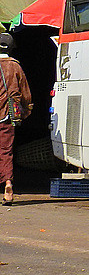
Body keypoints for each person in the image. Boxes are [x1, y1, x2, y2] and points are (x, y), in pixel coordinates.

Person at [0, 30, 34, 205]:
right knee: (5, 151)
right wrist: (26, 110)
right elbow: (25, 93)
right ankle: (8, 185)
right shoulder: (15, 66)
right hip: (7, 116)